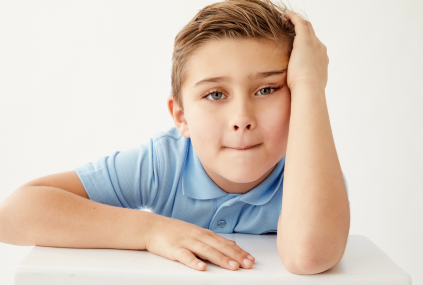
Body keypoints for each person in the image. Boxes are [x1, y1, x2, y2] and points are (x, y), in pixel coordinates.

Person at [0, 0, 350, 275]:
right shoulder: (164, 163)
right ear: (181, 117)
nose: (242, 119)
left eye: (267, 89)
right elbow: (13, 215)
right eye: (215, 94)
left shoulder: (311, 171)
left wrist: (309, 85)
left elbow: (309, 256)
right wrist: (150, 230)